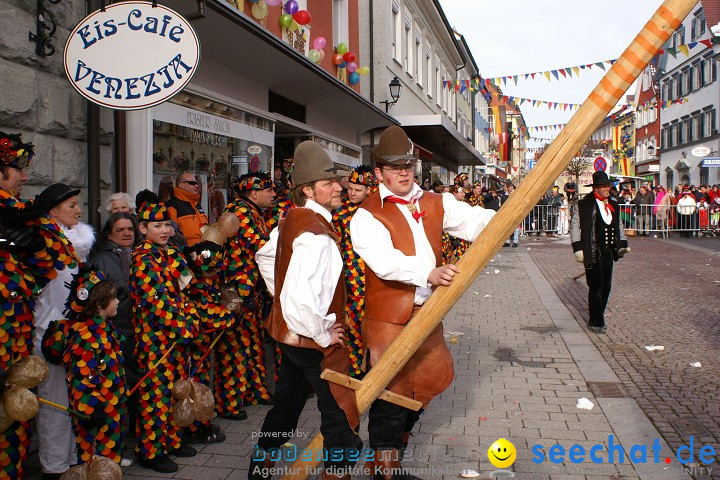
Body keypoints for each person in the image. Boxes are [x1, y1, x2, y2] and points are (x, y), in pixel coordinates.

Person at [350, 126, 496, 477]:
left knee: (421, 390)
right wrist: (427, 273)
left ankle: (391, 463)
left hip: (426, 315)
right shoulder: (366, 215)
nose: (403, 172)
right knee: (389, 399)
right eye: (394, 167)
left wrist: (511, 213)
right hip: (387, 321)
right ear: (379, 173)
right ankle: (384, 472)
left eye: (408, 165)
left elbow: (478, 223)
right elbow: (383, 261)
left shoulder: (435, 201)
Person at [252, 141, 361, 480]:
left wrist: (281, 296)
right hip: (313, 342)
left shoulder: (291, 221)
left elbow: (265, 257)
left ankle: (259, 471)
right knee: (340, 418)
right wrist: (320, 330)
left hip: (291, 339)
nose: (338, 187)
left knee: (285, 410)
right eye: (328, 183)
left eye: (335, 181)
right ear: (309, 191)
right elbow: (301, 298)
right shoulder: (316, 235)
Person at [0, 131, 69, 480]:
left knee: (17, 411)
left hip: (17, 330)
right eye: (17, 169)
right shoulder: (14, 210)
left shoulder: (19, 211)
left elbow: (54, 261)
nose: (25, 177)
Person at [129, 202, 198, 473]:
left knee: (176, 391)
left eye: (167, 225)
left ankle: (171, 439)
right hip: (156, 340)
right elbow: (155, 300)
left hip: (178, 337)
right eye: (157, 226)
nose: (165, 230)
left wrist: (191, 320)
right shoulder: (143, 258)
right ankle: (150, 450)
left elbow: (187, 286)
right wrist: (182, 327)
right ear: (143, 228)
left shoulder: (172, 252)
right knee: (155, 395)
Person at [33, 183, 95, 479]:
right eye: (71, 205)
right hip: (50, 334)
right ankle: (55, 466)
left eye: (76, 204)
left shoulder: (76, 247)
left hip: (75, 333)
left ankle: (73, 458)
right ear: (53, 211)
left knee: (73, 398)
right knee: (55, 400)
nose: (78, 210)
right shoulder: (42, 246)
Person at [41, 265, 126, 465]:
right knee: (94, 458)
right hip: (97, 413)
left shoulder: (105, 328)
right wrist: (91, 408)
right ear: (99, 304)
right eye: (113, 298)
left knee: (109, 457)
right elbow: (82, 376)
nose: (117, 301)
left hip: (111, 408)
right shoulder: (85, 337)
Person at [220, 172, 276, 419]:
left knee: (252, 343)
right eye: (269, 190)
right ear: (254, 193)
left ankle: (255, 392)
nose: (274, 194)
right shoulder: (239, 212)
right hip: (234, 291)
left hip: (251, 289)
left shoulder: (254, 211)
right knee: (234, 347)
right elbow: (261, 246)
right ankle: (230, 403)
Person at [90, 212, 139, 457]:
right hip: (116, 330)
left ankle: (137, 430)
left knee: (139, 383)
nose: (127, 233)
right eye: (120, 230)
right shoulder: (101, 259)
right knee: (119, 384)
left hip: (140, 330)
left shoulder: (141, 255)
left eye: (130, 228)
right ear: (109, 233)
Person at [570, 171, 630, 334]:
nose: (607, 189)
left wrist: (623, 243)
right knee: (595, 286)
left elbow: (618, 225)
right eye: (604, 186)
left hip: (609, 251)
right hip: (593, 250)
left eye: (608, 186)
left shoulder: (613, 203)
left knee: (606, 286)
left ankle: (598, 313)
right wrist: (577, 247)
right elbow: (575, 226)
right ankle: (596, 321)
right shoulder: (583, 204)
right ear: (595, 187)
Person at [332, 165, 376, 378]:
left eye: (357, 190)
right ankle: (357, 368)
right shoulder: (340, 214)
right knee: (354, 324)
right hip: (351, 279)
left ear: (369, 189)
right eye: (349, 188)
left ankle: (376, 366)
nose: (351, 193)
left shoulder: (379, 209)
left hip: (378, 277)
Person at [166, 172, 208, 246]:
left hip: (203, 251)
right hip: (186, 253)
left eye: (197, 183)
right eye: (192, 183)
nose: (196, 185)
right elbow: (172, 235)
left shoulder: (196, 204)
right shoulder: (172, 206)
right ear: (181, 185)